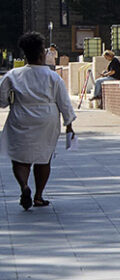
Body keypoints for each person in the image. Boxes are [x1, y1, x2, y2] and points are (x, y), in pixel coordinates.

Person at [0, 33, 77, 210]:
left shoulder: (13, 75)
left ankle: (24, 186)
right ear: (42, 55)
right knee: (44, 158)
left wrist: (11, 100)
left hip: (21, 115)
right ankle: (39, 196)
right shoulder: (53, 77)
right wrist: (69, 124)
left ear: (25, 55)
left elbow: (2, 100)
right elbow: (63, 102)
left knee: (20, 159)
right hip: (47, 118)